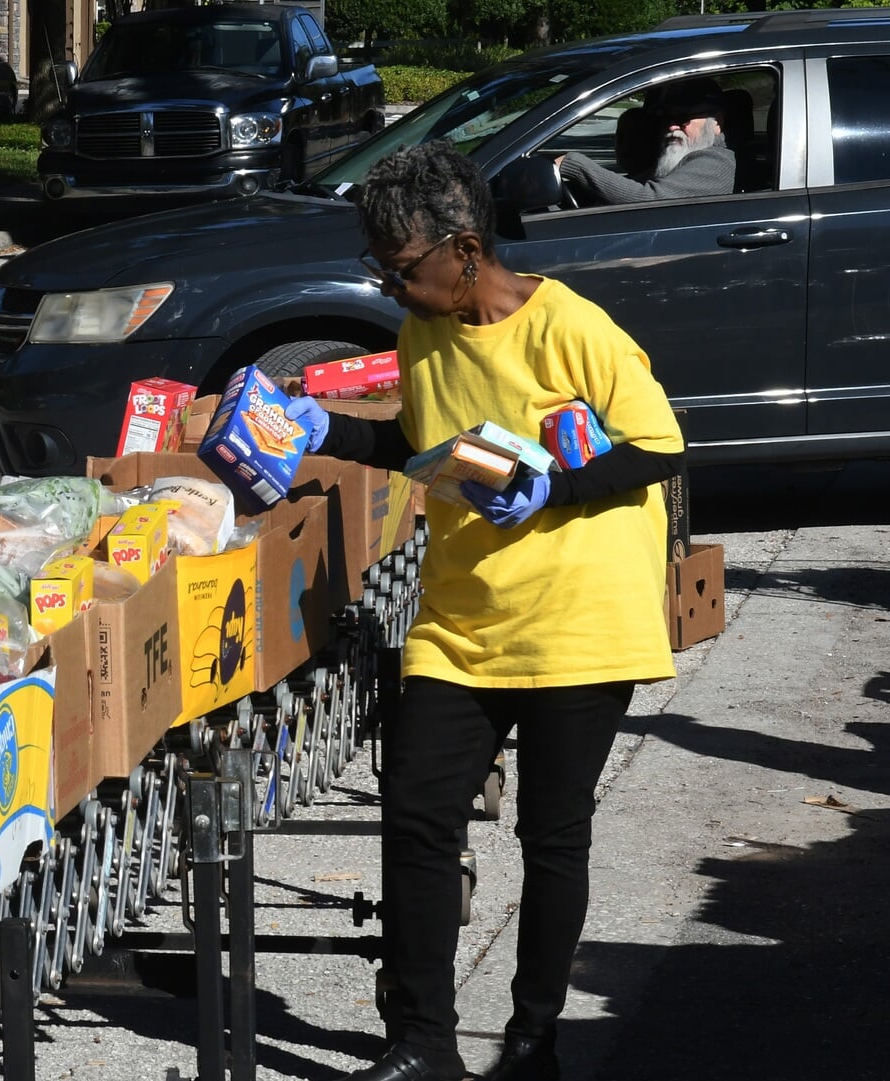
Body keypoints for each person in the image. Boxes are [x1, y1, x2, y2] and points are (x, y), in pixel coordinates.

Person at [284, 141, 687, 1081]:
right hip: (461, 620)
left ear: (464, 250)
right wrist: (322, 429)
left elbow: (659, 444)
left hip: (580, 617)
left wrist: (554, 487)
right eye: (381, 269)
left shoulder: (571, 328)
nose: (391, 288)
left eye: (402, 269)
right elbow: (425, 446)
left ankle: (533, 1039)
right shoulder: (427, 333)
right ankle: (422, 1043)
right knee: (418, 816)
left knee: (552, 833)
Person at [554, 77, 736, 204]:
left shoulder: (716, 161)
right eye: (667, 118)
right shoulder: (679, 160)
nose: (672, 127)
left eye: (683, 118)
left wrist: (573, 164)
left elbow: (651, 200)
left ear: (717, 123)